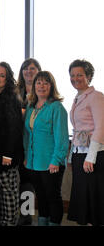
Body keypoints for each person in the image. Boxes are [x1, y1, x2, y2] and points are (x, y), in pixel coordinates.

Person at [23, 71, 69, 226]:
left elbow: (62, 138)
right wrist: (26, 157)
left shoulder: (57, 107)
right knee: (41, 197)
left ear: (51, 86)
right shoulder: (31, 107)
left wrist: (56, 160)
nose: (41, 86)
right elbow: (27, 136)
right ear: (34, 86)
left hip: (51, 162)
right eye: (38, 82)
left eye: (45, 83)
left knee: (52, 197)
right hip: (34, 162)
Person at [67, 60, 104, 226]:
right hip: (79, 154)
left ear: (88, 76)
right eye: (72, 75)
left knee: (93, 202)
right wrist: (71, 156)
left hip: (93, 156)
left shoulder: (96, 97)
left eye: (79, 75)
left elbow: (100, 128)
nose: (75, 78)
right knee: (83, 200)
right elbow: (78, 130)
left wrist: (91, 157)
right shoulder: (77, 97)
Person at [0, 62, 23, 226]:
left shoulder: (11, 98)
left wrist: (8, 155)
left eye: (2, 75)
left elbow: (14, 129)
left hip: (6, 156)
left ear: (7, 79)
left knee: (8, 197)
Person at [15, 58, 41, 225]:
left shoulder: (42, 91)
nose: (29, 71)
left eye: (32, 68)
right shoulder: (15, 92)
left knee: (28, 183)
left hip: (35, 145)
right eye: (25, 68)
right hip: (16, 143)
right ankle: (19, 215)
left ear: (39, 71)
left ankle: (26, 218)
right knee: (20, 181)